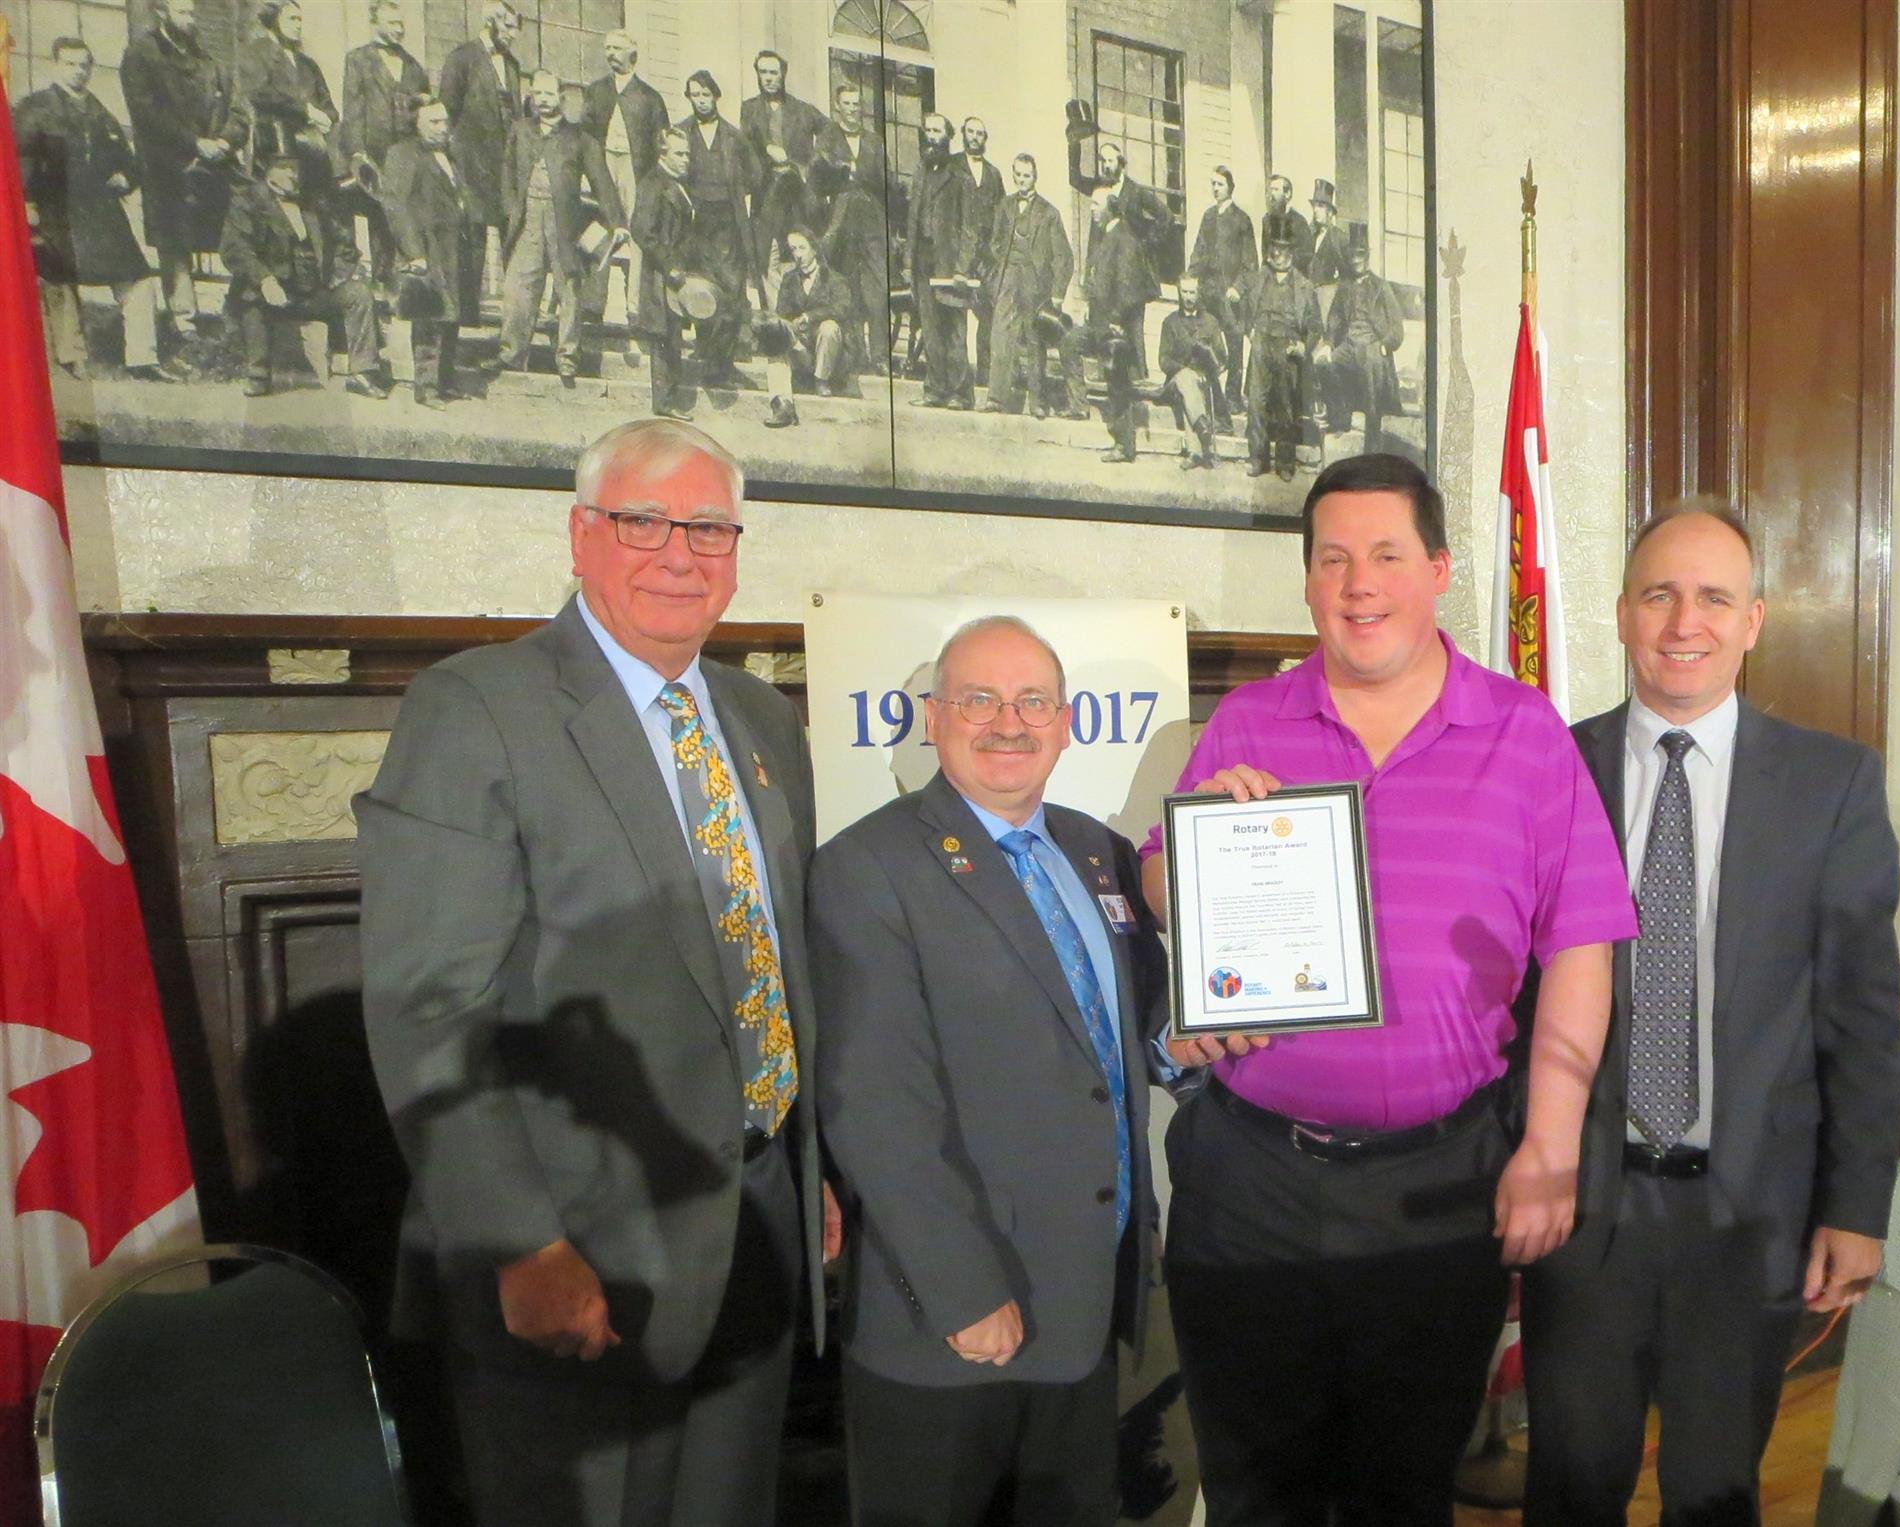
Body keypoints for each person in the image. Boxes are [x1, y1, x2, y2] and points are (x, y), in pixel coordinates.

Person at [1140, 452, 1638, 1525]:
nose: (1359, 584)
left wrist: (1551, 1145)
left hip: (1437, 1191)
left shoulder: (1525, 733)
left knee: (1403, 1494)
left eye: (1386, 555)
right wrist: (1200, 847)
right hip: (1250, 1188)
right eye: (1333, 560)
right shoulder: (1248, 721)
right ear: (1308, 581)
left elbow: (1584, 947)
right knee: (1255, 1495)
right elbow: (1156, 883)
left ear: (1439, 569)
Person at [358, 418, 839, 1527]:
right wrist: (520, 1239)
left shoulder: (761, 717)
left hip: (755, 1224)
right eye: (643, 522)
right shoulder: (478, 708)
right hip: (576, 1250)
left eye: (709, 528)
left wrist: (804, 1155)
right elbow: (430, 1004)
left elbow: (775, 961)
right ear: (582, 536)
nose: (680, 554)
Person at [1522, 502, 1900, 1527]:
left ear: (1753, 621)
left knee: (1713, 1493)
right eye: (1660, 594)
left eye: (1714, 598)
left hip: (1750, 1215)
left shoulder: (1834, 784)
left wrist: (1857, 1207)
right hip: (1586, 1208)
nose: (1684, 621)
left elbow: (1864, 1015)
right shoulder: (1552, 768)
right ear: (1622, 613)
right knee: (1571, 1488)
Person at [810, 615, 1170, 1527]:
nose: (1009, 722)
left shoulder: (1097, 851)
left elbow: (1130, 1026)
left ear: (1067, 722)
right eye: (980, 699)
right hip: (952, 1322)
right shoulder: (867, 866)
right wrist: (964, 1292)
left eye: (1032, 701)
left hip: (1086, 1303)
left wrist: (1189, 1043)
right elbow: (876, 1105)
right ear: (933, 718)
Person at [17, 37, 177, 383]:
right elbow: (21, 162)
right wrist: (28, 205)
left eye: (84, 65)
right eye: (70, 64)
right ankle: (72, 358)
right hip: (56, 209)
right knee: (60, 278)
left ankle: (142, 358)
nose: (78, 72)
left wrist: (126, 177)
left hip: (101, 211)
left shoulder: (99, 112)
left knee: (137, 278)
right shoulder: (35, 109)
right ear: (55, 66)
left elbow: (128, 160)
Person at [497, 70, 625, 387]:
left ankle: (567, 359)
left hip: (564, 221)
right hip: (528, 219)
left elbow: (602, 181)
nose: (543, 100)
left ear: (562, 98)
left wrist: (618, 223)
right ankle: (511, 354)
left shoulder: (579, 138)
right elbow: (507, 174)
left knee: (569, 289)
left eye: (549, 94)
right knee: (518, 287)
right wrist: (511, 210)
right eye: (537, 94)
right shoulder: (520, 131)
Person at [220, 152, 385, 399]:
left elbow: (345, 245)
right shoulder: (247, 201)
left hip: (313, 293)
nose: (293, 175)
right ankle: (258, 373)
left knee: (358, 293)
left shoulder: (314, 203)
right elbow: (236, 249)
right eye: (285, 168)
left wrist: (337, 276)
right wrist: (265, 279)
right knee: (250, 294)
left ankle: (363, 372)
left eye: (296, 168)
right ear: (268, 170)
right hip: (270, 294)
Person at [119, 0, 230, 340]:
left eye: (192, 12)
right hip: (164, 162)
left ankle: (234, 312)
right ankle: (184, 319)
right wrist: (192, 142)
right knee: (174, 240)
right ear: (162, 13)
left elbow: (221, 100)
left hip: (206, 160)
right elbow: (145, 112)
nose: (190, 19)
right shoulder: (141, 53)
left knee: (215, 230)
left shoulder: (199, 55)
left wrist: (215, 141)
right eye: (183, 12)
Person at [581, 31, 667, 364]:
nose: (610, 53)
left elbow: (661, 144)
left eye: (617, 48)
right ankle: (592, 305)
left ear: (633, 52)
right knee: (599, 232)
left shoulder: (649, 97)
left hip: (637, 172)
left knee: (638, 237)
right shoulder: (596, 91)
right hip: (603, 169)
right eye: (607, 48)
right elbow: (587, 135)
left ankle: (637, 310)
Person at [382, 96, 472, 409]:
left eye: (445, 121)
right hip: (426, 249)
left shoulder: (450, 154)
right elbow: (397, 206)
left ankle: (445, 381)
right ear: (415, 123)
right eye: (434, 122)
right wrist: (414, 253)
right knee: (429, 317)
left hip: (452, 249)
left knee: (450, 316)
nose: (443, 127)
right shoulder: (403, 154)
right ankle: (426, 388)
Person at [437, 0, 523, 327]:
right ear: (490, 23)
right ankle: (466, 316)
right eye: (508, 27)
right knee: (472, 238)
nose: (513, 35)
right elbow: (446, 112)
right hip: (470, 165)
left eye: (515, 28)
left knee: (511, 235)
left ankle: (514, 317)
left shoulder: (512, 65)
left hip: (503, 167)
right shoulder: (461, 58)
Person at [681, 68, 760, 390]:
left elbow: (755, 174)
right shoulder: (681, 132)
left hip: (727, 222)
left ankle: (722, 364)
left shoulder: (733, 136)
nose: (701, 100)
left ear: (715, 96)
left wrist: (735, 192)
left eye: (705, 94)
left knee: (729, 288)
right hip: (694, 222)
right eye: (695, 95)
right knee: (700, 287)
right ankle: (705, 353)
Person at [339, 0, 429, 280]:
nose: (399, 30)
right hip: (375, 153)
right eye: (392, 23)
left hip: (407, 154)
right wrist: (356, 154)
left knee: (406, 216)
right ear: (374, 23)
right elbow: (353, 111)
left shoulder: (413, 66)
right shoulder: (358, 60)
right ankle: (382, 283)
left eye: (401, 24)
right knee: (380, 219)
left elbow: (425, 111)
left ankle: (405, 283)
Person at [981, 152, 1074, 419]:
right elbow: (994, 243)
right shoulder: (1005, 206)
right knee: (1000, 335)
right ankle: (995, 398)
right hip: (1008, 279)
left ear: (1035, 177)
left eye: (1027, 175)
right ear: (1013, 175)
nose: (1022, 180)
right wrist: (995, 274)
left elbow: (1064, 257)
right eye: (1018, 175)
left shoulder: (1049, 213)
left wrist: (1057, 294)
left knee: (1035, 341)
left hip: (1035, 284)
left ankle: (1037, 402)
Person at [1233, 214, 1324, 480]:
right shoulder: (1259, 278)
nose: (1277, 253)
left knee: (1286, 406)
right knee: (1256, 403)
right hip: (1261, 342)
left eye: (1282, 249)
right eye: (1273, 247)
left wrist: (1303, 346)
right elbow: (1240, 305)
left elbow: (1315, 325)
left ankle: (1285, 463)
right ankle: (1257, 459)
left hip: (1287, 347)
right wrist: (1248, 329)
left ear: (1291, 252)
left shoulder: (1304, 286)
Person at [1066, 137, 1164, 377]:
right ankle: (1109, 378)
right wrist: (1074, 141)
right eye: (1103, 161)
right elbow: (1074, 178)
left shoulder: (1136, 191)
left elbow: (1166, 216)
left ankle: (1139, 378)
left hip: (1130, 271)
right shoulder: (1099, 188)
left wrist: (1146, 244)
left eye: (1110, 161)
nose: (1106, 166)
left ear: (1121, 163)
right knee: (1104, 329)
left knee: (1132, 328)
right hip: (1105, 268)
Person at [814, 81, 889, 375]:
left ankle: (880, 356)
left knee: (878, 288)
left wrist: (857, 172)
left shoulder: (874, 141)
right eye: (846, 103)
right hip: (841, 221)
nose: (852, 109)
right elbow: (818, 172)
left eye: (856, 104)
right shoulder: (828, 137)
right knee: (846, 288)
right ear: (837, 107)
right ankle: (852, 356)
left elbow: (884, 179)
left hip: (871, 222)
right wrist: (844, 169)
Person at [738, 50, 828, 291]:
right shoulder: (749, 109)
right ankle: (775, 309)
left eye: (773, 72)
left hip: (796, 196)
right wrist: (767, 148)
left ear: (783, 74)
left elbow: (831, 135)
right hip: (766, 195)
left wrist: (808, 167)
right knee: (766, 258)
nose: (768, 78)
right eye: (763, 72)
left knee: (798, 254)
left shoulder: (803, 110)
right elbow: (746, 144)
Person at [227, 0, 337, 197]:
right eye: (292, 19)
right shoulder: (256, 53)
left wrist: (328, 118)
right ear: (274, 20)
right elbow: (259, 94)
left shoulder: (307, 64)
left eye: (300, 20)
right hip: (275, 147)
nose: (298, 25)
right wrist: (305, 110)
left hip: (312, 151)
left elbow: (328, 105)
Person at [905, 113, 973, 411]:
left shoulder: (961, 177)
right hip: (923, 259)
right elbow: (912, 219)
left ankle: (961, 393)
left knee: (954, 330)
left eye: (937, 131)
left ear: (948, 136)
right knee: (930, 329)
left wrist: (962, 268)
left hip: (949, 263)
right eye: (928, 130)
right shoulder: (921, 172)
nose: (931, 136)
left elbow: (970, 229)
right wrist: (908, 262)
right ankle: (935, 389)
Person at [759, 226, 857, 429]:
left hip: (830, 354)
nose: (797, 254)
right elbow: (782, 312)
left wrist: (809, 317)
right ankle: (782, 405)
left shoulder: (834, 279)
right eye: (793, 249)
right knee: (776, 334)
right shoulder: (789, 279)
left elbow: (842, 308)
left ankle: (821, 381)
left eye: (802, 248)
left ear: (814, 249)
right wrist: (787, 328)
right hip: (800, 347)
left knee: (829, 327)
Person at [630, 127, 697, 421]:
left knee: (672, 336)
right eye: (679, 154)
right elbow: (642, 230)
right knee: (663, 338)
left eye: (687, 154)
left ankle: (669, 399)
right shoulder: (653, 184)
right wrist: (669, 265)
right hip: (661, 276)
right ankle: (664, 401)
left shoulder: (678, 184)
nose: (685, 160)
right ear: (663, 154)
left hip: (676, 274)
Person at [1318, 237, 1406, 450]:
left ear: (1367, 258)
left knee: (1372, 391)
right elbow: (1334, 318)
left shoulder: (1381, 286)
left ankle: (1372, 447)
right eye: (1352, 257)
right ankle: (1340, 418)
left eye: (1360, 256)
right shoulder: (1345, 286)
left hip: (1372, 345)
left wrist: (1386, 345)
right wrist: (1328, 344)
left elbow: (1397, 326)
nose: (1356, 261)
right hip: (1348, 345)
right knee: (1323, 364)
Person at [1187, 164, 1254, 414]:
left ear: (1230, 187)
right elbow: (1198, 251)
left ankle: (1233, 397)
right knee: (1202, 340)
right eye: (1213, 184)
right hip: (1208, 292)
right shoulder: (1208, 217)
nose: (1215, 189)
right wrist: (1191, 279)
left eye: (1220, 184)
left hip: (1230, 295)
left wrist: (1238, 288)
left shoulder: (1242, 220)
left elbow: (1250, 263)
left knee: (1235, 345)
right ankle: (1206, 394)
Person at [1158, 274, 1227, 469]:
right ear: (1179, 292)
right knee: (1187, 381)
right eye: (1184, 292)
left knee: (1191, 394)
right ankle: (1203, 427)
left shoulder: (1211, 322)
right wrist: (1184, 370)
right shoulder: (1170, 322)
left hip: (1202, 383)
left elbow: (1223, 360)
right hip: (1175, 383)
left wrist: (1210, 368)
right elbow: (1163, 360)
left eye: (1192, 292)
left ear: (1199, 293)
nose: (1188, 297)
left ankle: (1195, 451)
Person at [955, 116, 1003, 384]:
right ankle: (958, 377)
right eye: (971, 132)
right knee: (954, 315)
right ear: (963, 134)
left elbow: (1001, 214)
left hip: (985, 257)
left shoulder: (993, 175)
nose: (974, 137)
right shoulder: (951, 167)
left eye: (980, 134)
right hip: (957, 254)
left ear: (985, 139)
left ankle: (985, 376)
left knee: (988, 313)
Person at [1262, 175, 1311, 280]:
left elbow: (1306, 256)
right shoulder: (1267, 220)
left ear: (1287, 194)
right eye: (1270, 190)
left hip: (1293, 281)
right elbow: (1265, 254)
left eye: (1276, 190)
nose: (1271, 195)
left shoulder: (1299, 222)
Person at [1307, 178, 1351, 291]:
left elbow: (1348, 275)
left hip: (1328, 296)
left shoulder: (1339, 238)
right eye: (1314, 205)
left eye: (1320, 206)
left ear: (1330, 212)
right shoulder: (1309, 236)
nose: (1315, 210)